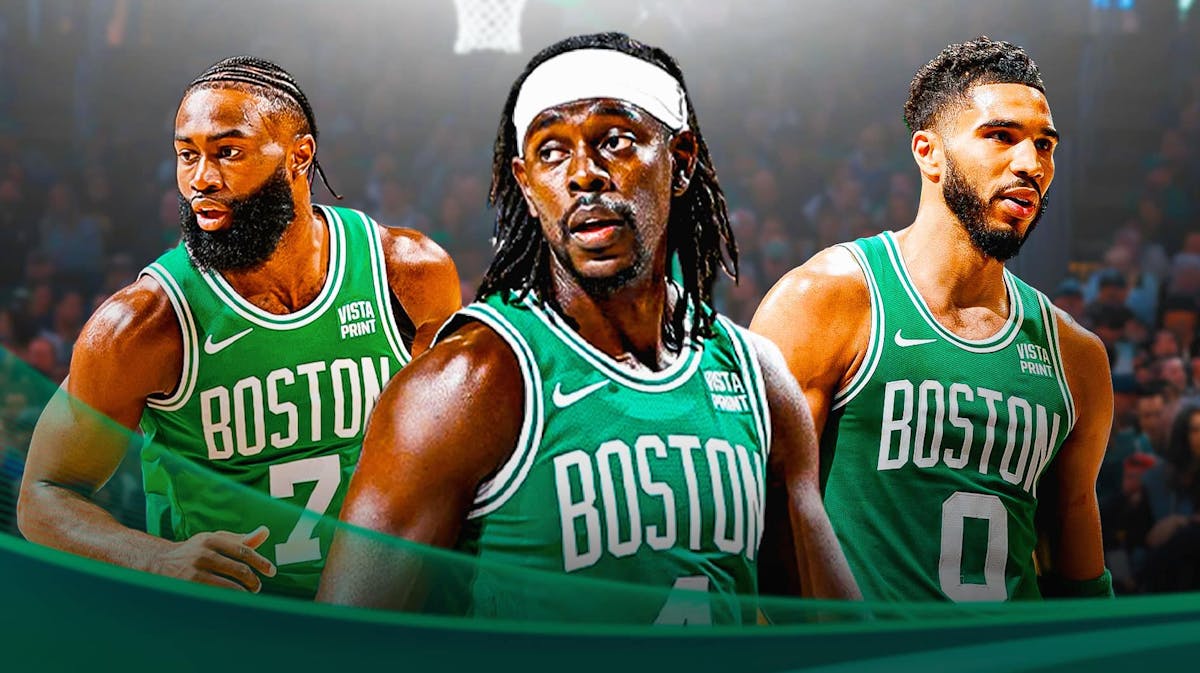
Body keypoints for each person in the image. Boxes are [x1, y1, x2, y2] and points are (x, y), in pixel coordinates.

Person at [318, 32, 859, 622]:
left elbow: (834, 632)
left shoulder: (756, 378)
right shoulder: (468, 385)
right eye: (552, 152)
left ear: (681, 160)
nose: (583, 174)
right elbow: (343, 643)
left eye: (614, 141)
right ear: (526, 185)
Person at [17, 56, 462, 599]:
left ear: (300, 156)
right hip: (230, 624)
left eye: (228, 152)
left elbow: (450, 454)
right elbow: (42, 496)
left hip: (380, 610)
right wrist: (157, 559)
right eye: (187, 155)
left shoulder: (407, 272)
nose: (201, 179)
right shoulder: (141, 325)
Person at [750, 37, 1113, 601]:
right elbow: (760, 524)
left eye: (1045, 145)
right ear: (929, 152)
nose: (1030, 163)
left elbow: (1077, 560)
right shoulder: (825, 299)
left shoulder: (1076, 356)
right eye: (1001, 136)